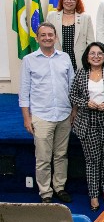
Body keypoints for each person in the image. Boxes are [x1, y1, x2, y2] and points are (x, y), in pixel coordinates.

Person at [19, 22, 74, 203]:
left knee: (61, 155)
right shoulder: (29, 60)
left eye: (50, 34)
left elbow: (72, 87)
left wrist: (74, 111)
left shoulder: (65, 58)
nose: (47, 38)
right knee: (42, 158)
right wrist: (27, 118)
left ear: (55, 37)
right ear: (37, 38)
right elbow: (24, 92)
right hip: (42, 116)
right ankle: (45, 192)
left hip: (64, 114)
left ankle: (59, 187)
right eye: (43, 35)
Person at [70, 42, 104, 211]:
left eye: (99, 53)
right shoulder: (80, 74)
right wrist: (86, 103)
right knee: (92, 161)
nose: (96, 56)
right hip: (87, 123)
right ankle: (94, 195)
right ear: (87, 57)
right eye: (92, 53)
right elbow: (72, 95)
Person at [46, 0, 95, 71]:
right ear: (62, 0)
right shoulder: (51, 16)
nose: (69, 1)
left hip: (79, 63)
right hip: (57, 62)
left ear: (77, 2)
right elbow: (47, 39)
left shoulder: (85, 18)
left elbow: (91, 43)